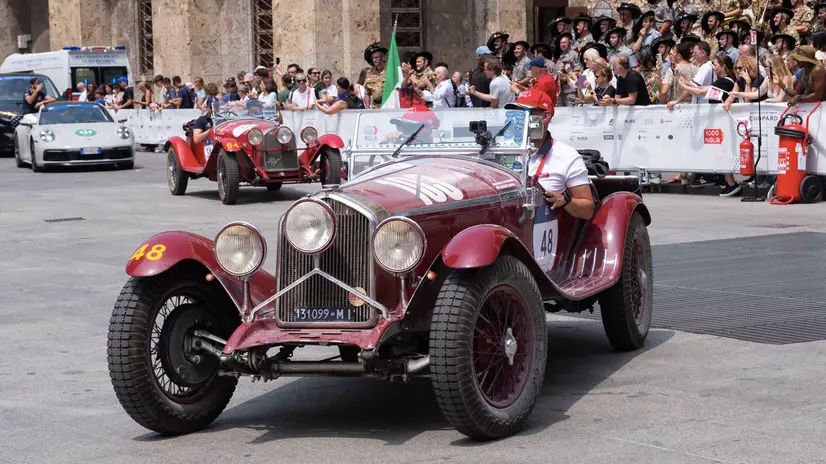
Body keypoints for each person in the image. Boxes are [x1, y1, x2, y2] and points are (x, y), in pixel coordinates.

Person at [504, 90, 595, 221]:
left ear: (545, 117)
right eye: (514, 113)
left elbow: (587, 210)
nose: (516, 119)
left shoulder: (567, 155)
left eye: (523, 114)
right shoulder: (502, 149)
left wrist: (564, 200)